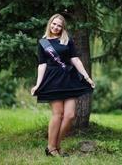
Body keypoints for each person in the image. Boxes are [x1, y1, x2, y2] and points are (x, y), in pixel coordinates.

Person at [31, 14, 95, 157]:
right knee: (57, 114)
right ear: (50, 24)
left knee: (70, 115)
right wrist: (37, 84)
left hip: (68, 79)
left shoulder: (66, 40)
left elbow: (75, 59)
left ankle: (54, 146)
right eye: (54, 24)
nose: (56, 27)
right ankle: (52, 148)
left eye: (59, 25)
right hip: (52, 80)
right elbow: (42, 64)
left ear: (62, 28)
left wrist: (87, 77)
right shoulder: (43, 42)